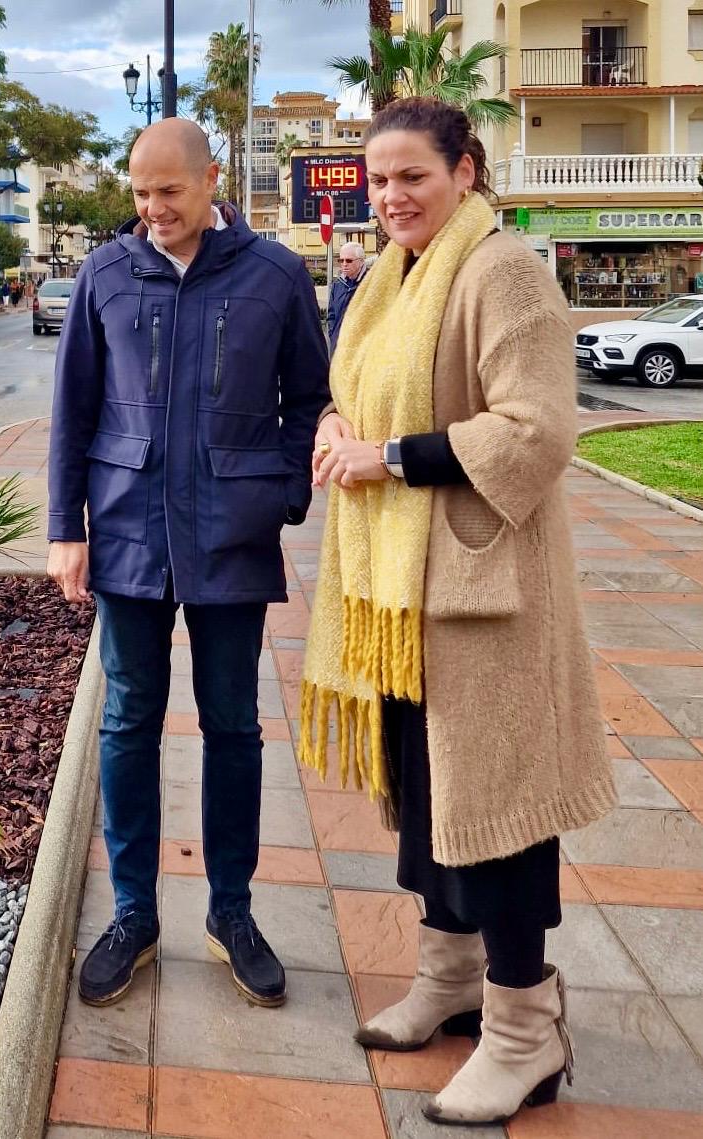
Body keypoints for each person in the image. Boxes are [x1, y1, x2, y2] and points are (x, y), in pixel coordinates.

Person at [300, 97, 615, 1127]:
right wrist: (340, 423)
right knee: (427, 797)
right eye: (377, 180)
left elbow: (535, 430)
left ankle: (524, 1027)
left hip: (483, 597)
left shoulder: (503, 269)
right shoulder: (387, 277)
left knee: (496, 811)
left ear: (465, 170)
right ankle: (448, 976)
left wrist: (382, 456)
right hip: (398, 591)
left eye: (412, 178)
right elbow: (364, 393)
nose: (390, 197)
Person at [48, 117, 330, 1010]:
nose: (152, 210)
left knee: (234, 725)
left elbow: (310, 399)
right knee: (127, 721)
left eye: (169, 192)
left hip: (230, 538)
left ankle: (232, 911)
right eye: (139, 193)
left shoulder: (276, 274)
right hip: (129, 532)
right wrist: (67, 527)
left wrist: (283, 495)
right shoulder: (105, 273)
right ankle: (133, 912)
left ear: (213, 179)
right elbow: (73, 412)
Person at [326, 241, 367, 353]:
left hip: (361, 350)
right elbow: (331, 315)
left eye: (349, 260)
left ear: (361, 261)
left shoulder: (370, 284)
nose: (344, 264)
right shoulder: (338, 284)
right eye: (341, 260)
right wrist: (333, 334)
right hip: (338, 347)